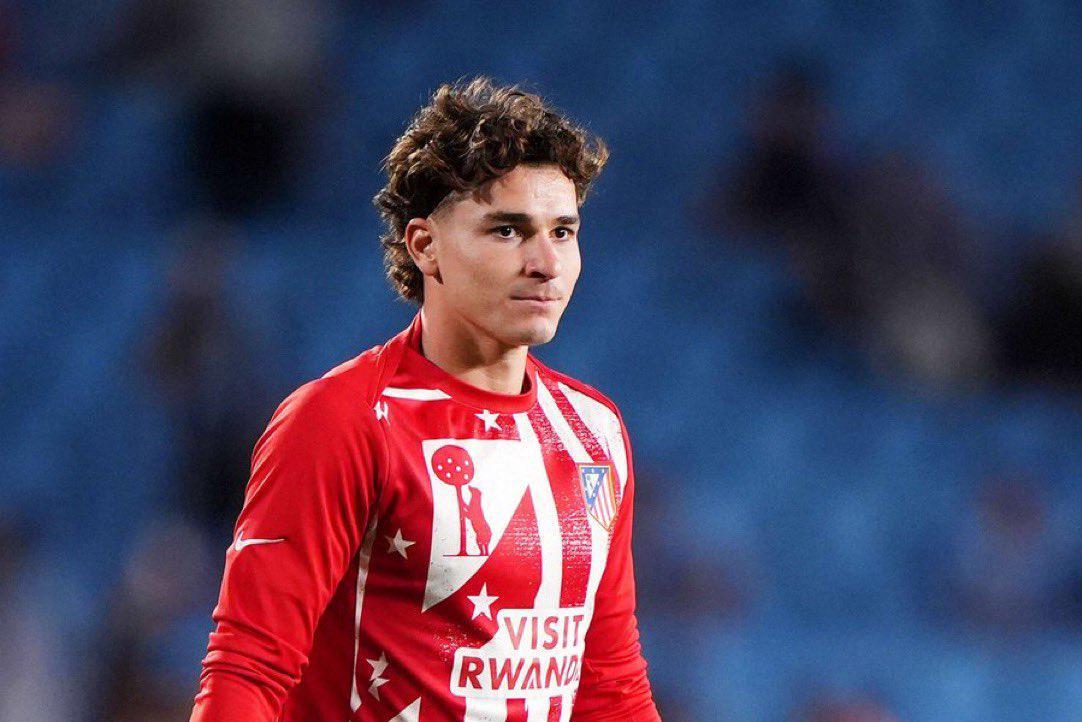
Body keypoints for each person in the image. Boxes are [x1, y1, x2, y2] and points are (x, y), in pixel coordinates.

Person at [189, 77, 661, 721]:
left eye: (562, 232)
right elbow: (248, 669)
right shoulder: (342, 420)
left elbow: (611, 688)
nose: (546, 263)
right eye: (508, 231)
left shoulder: (594, 432)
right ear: (424, 245)